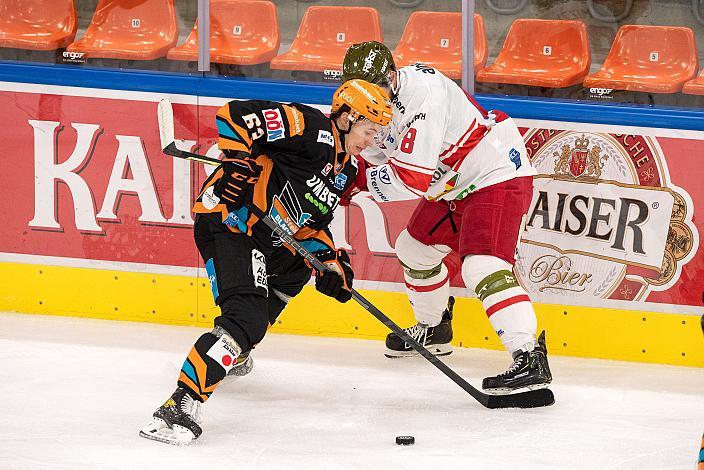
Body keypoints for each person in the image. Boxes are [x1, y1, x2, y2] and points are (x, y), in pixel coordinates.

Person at [139, 79, 392, 445]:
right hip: (230, 220)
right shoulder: (309, 127)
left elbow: (311, 225)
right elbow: (235, 116)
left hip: (266, 235)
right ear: (348, 116)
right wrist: (239, 164)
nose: (372, 140)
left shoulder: (345, 169)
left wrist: (333, 264)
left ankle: (233, 345)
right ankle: (180, 403)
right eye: (369, 130)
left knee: (297, 268)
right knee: (247, 316)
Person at [341, 41, 552, 394]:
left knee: (481, 266)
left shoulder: (424, 93)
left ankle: (529, 356)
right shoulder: (371, 104)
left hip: (493, 173)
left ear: (391, 77)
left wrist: (354, 182)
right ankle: (434, 327)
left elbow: (411, 179)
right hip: (452, 184)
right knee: (414, 249)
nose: (366, 97)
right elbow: (371, 158)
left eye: (373, 87)